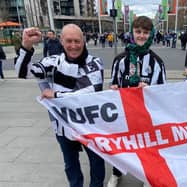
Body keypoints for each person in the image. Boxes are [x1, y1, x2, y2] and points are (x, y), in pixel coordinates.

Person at [15, 24, 105, 187]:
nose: (73, 45)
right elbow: (23, 72)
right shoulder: (52, 61)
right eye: (69, 41)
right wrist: (26, 46)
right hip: (62, 126)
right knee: (70, 165)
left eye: (77, 41)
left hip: (90, 126)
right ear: (61, 41)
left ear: (83, 41)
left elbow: (89, 92)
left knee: (97, 162)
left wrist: (56, 95)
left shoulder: (95, 63)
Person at [108, 16, 166, 187]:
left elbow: (164, 94)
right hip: (124, 114)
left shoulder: (157, 62)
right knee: (121, 147)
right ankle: (116, 173)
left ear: (151, 34)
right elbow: (113, 84)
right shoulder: (120, 60)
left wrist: (149, 90)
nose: (141, 36)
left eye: (145, 32)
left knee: (148, 147)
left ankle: (147, 176)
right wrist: (114, 90)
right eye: (138, 32)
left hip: (147, 116)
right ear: (132, 33)